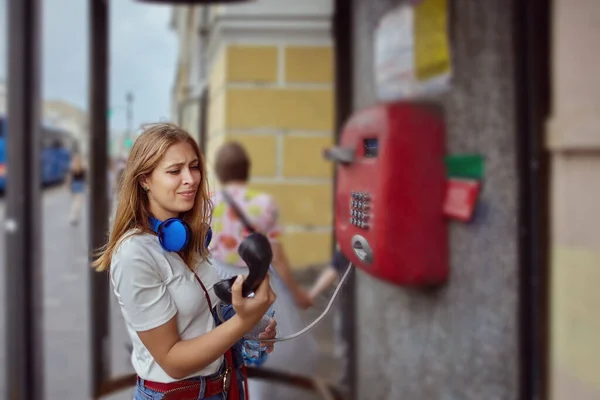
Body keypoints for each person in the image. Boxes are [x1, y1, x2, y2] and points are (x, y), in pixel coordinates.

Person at [92, 123, 277, 400]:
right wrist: (241, 323)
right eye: (174, 171)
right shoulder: (134, 254)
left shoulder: (187, 236)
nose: (191, 178)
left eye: (194, 166)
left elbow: (206, 314)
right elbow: (172, 360)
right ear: (145, 180)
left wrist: (251, 326)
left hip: (221, 386)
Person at [209, 141, 320, 400]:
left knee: (226, 347)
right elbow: (276, 254)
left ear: (219, 171)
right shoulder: (262, 203)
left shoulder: (209, 202)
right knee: (264, 347)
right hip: (256, 281)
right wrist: (295, 292)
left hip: (220, 283)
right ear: (246, 170)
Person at [66, 152, 86, 225]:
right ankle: (73, 216)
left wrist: (68, 186)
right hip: (80, 186)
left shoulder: (72, 168)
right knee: (78, 202)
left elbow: (69, 178)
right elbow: (85, 178)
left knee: (76, 202)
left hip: (74, 185)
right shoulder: (82, 167)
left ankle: (75, 216)